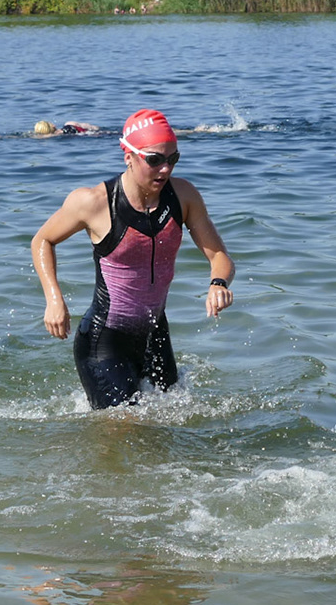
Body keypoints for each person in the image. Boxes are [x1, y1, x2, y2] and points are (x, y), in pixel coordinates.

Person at [31, 108, 236, 408]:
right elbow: (43, 240)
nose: (165, 169)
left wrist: (218, 283)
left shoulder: (183, 196)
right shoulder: (94, 202)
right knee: (125, 426)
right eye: (154, 160)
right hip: (105, 341)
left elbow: (219, 255)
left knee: (174, 420)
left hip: (156, 334)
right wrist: (53, 299)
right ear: (129, 156)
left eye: (173, 159)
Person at [34, 120, 101, 137]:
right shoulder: (70, 124)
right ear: (53, 126)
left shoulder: (54, 135)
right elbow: (95, 128)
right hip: (93, 133)